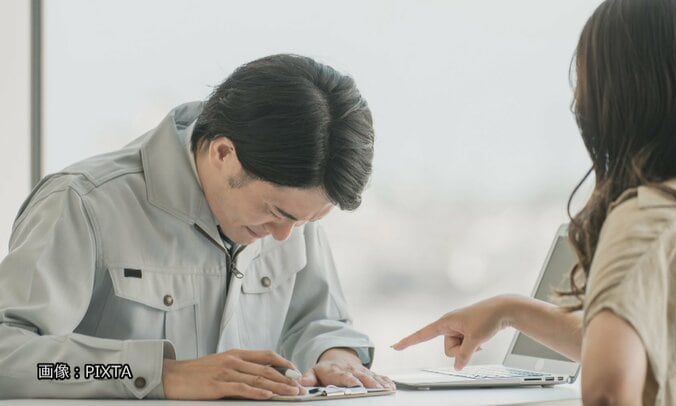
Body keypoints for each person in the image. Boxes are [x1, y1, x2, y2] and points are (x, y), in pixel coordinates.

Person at [393, 0, 676, 406]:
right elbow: (656, 350)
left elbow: (609, 388)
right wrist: (510, 310)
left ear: (618, 99)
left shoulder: (650, 220)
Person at [0, 54, 395, 399]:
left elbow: (319, 322)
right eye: (277, 212)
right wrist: (160, 375)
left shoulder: (291, 209)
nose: (284, 236)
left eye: (308, 221)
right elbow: (8, 356)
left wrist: (336, 357)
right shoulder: (82, 204)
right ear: (224, 153)